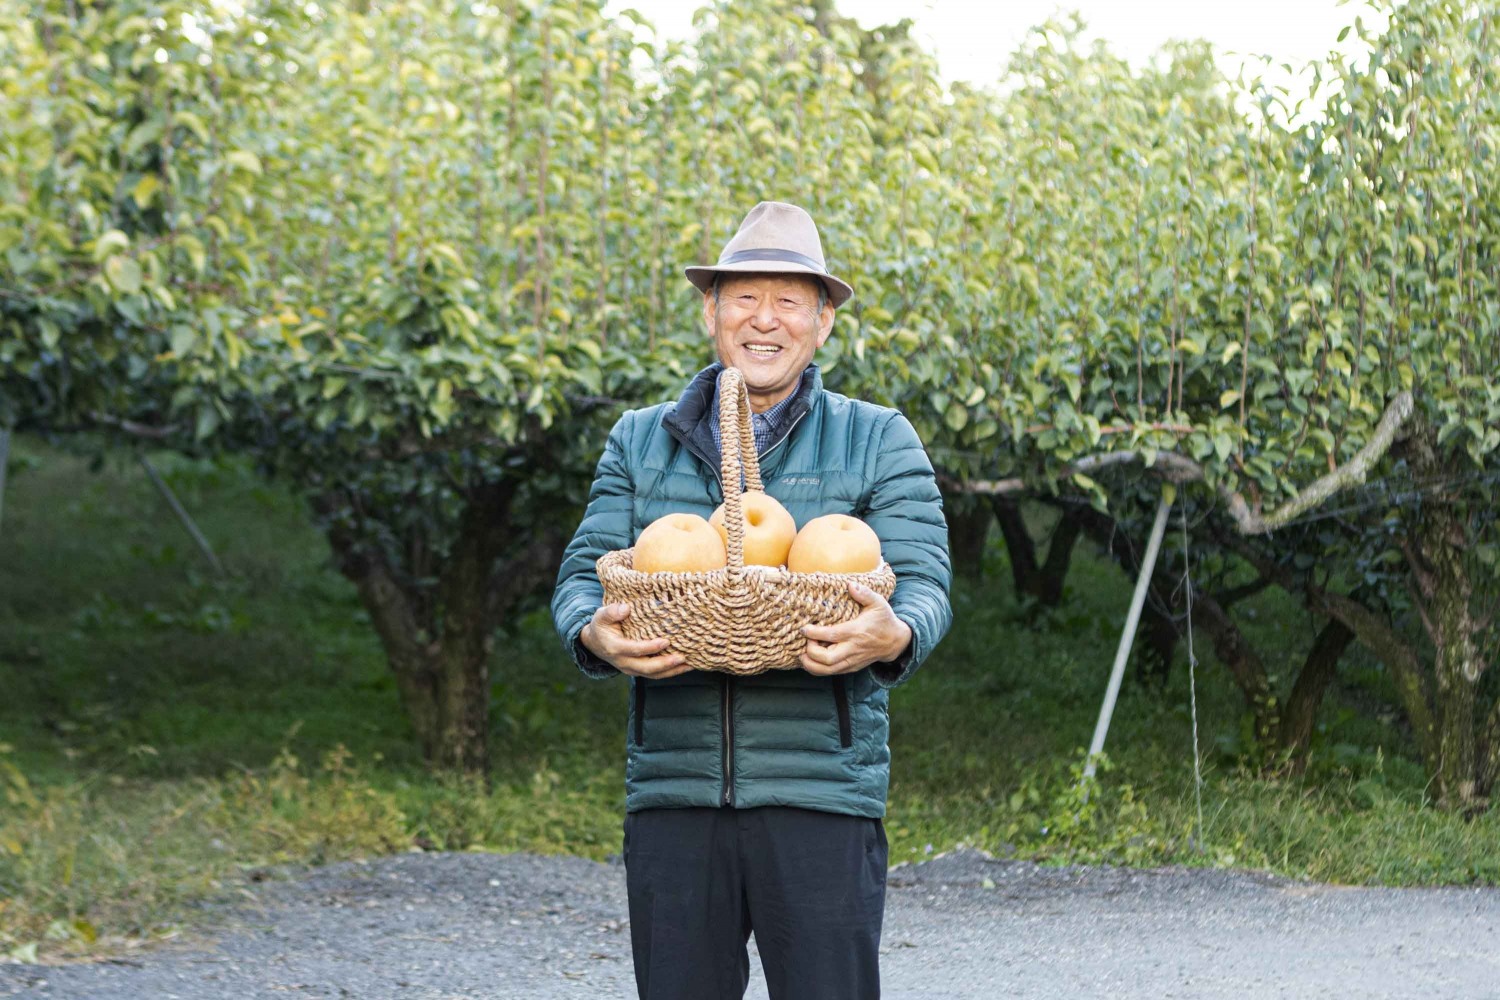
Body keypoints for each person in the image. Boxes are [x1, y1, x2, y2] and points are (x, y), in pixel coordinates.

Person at [551, 200, 952, 1000]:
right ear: (711, 311)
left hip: (821, 793)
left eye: (789, 301)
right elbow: (580, 577)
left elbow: (923, 582)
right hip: (675, 791)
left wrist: (896, 635)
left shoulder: (877, 437)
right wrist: (591, 633)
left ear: (823, 322)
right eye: (744, 297)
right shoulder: (640, 439)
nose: (764, 320)